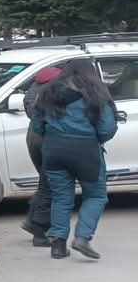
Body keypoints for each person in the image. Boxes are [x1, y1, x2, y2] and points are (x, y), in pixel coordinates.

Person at [32, 59, 117, 260]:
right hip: (85, 150)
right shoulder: (96, 94)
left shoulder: (47, 93)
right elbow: (107, 129)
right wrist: (95, 140)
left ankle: (58, 246)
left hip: (53, 150)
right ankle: (82, 238)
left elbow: (37, 126)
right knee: (95, 195)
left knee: (61, 196)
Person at [20, 66, 63, 247]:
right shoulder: (57, 88)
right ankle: (38, 229)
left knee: (46, 182)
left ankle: (33, 220)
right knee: (51, 185)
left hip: (33, 138)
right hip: (48, 138)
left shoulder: (34, 88)